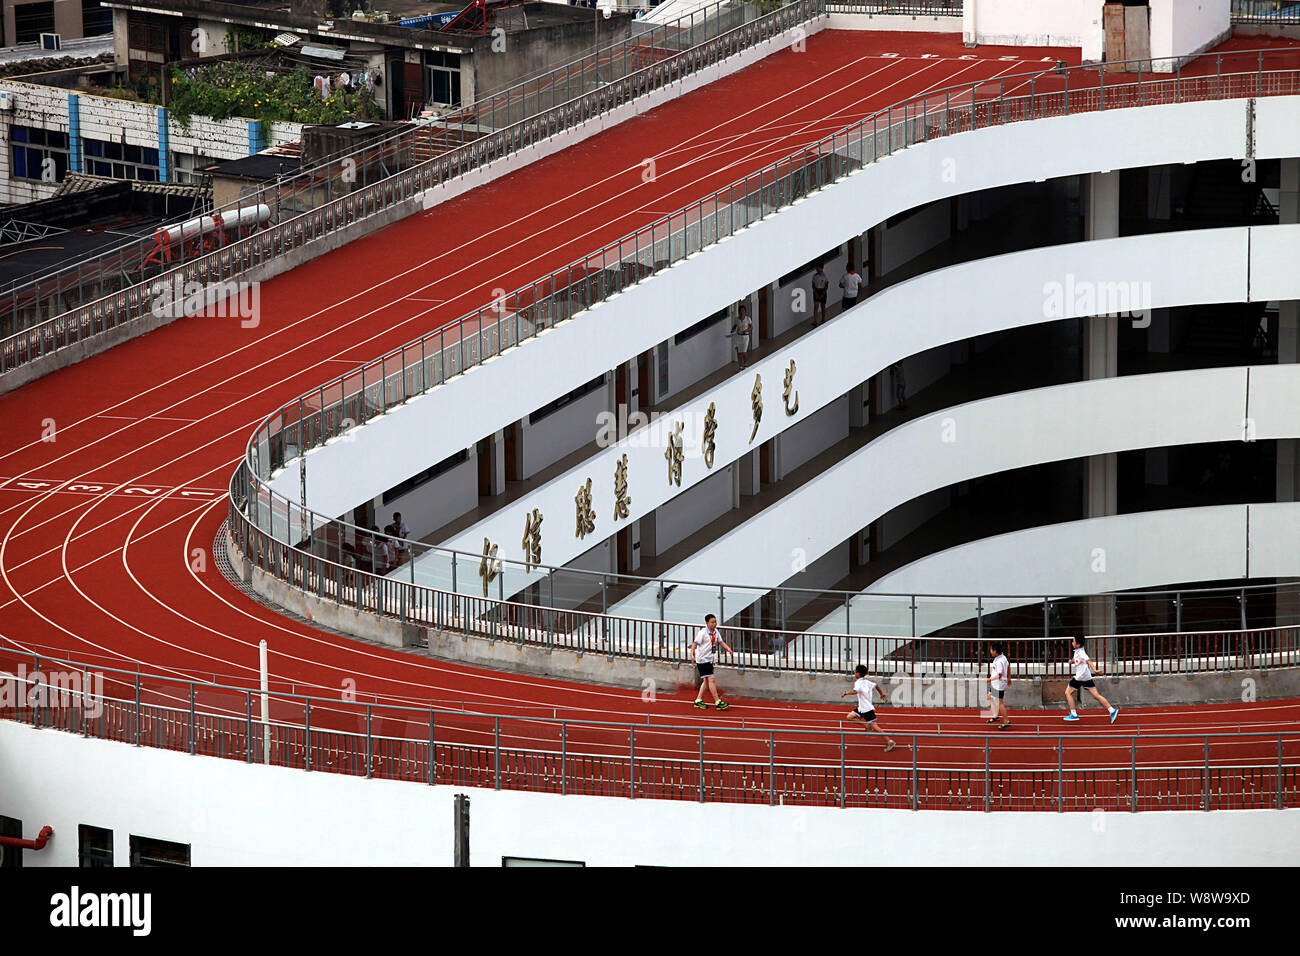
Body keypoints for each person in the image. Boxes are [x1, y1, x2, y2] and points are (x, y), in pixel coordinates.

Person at [841, 664, 896, 751]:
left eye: (855, 672)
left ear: (858, 674)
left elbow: (855, 691)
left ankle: (889, 741)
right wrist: (881, 694)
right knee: (849, 717)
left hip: (866, 709)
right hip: (861, 708)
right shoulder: (867, 682)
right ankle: (866, 725)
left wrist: (845, 693)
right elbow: (876, 685)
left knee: (876, 727)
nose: (854, 673)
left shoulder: (858, 682)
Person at [1064, 636, 1119, 723]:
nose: (1072, 643)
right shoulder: (1078, 651)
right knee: (1096, 695)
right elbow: (1078, 660)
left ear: (1077, 645)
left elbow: (1088, 660)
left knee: (1067, 693)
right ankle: (1112, 710)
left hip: (1080, 678)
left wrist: (1095, 670)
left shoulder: (1081, 653)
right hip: (1086, 677)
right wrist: (1072, 661)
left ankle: (1073, 714)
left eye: (1073, 641)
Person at [690, 614, 733, 710]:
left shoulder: (715, 632)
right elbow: (695, 643)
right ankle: (717, 701)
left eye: (715, 622)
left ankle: (698, 700)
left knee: (706, 680)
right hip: (702, 659)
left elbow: (720, 641)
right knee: (711, 679)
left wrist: (728, 649)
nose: (714, 624)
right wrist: (692, 654)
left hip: (710, 659)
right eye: (712, 622)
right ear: (707, 623)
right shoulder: (703, 633)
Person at [984, 642, 1011, 729]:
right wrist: (1009, 678)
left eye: (991, 650)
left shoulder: (999, 661)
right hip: (996, 684)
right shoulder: (1002, 657)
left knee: (1000, 703)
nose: (990, 651)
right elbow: (1008, 667)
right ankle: (995, 716)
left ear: (995, 651)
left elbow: (999, 675)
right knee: (990, 697)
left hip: (998, 684)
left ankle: (1006, 721)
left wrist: (989, 679)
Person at [731, 304, 753, 369]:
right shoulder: (737, 319)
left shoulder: (748, 319)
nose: (742, 312)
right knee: (739, 352)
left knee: (744, 352)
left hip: (745, 337)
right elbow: (734, 326)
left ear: (745, 311)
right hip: (738, 337)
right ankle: (740, 366)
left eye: (743, 311)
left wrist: (746, 330)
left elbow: (751, 327)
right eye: (740, 311)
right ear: (739, 311)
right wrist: (733, 330)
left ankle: (745, 363)